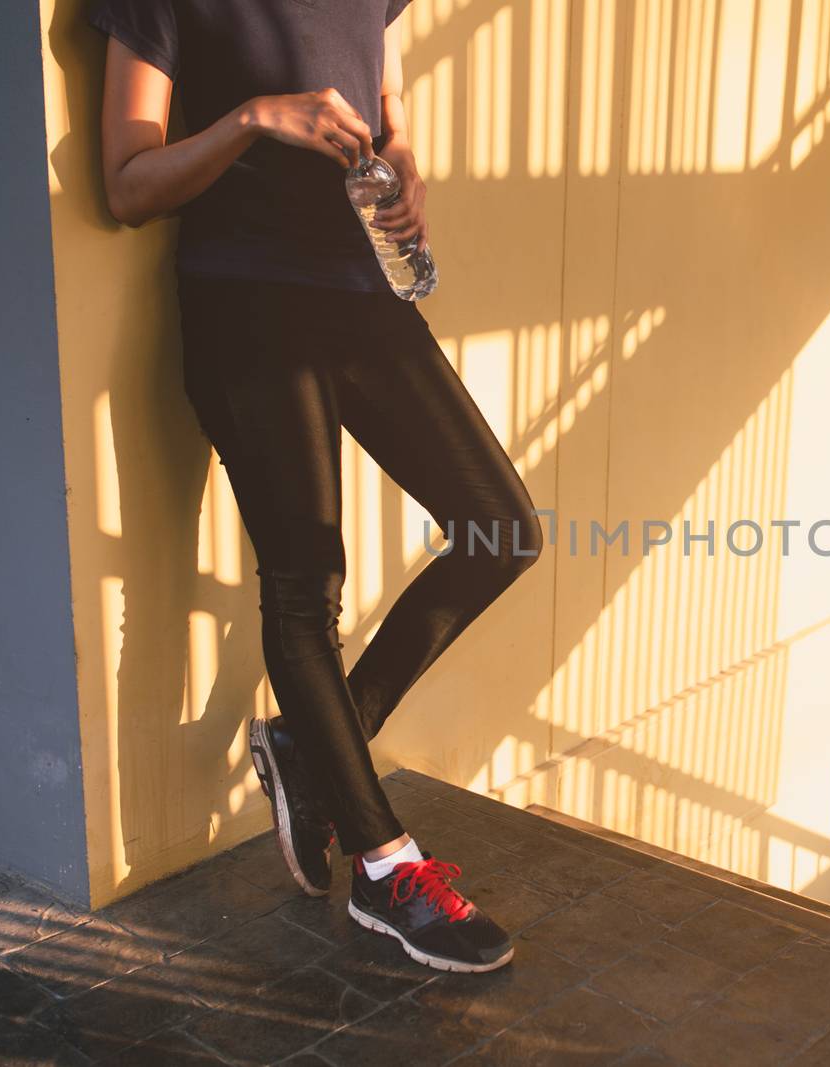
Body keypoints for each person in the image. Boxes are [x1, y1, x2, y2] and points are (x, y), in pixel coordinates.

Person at [88, 0, 544, 973]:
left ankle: (311, 744)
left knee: (502, 528)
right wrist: (255, 118)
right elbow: (127, 184)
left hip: (362, 299)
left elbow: (381, 97)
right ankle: (385, 867)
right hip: (245, 309)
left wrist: (404, 160)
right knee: (306, 588)